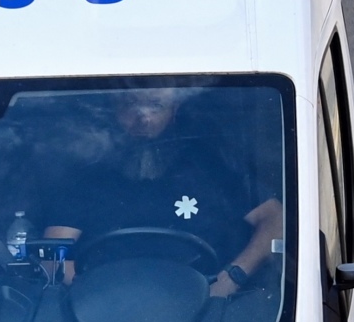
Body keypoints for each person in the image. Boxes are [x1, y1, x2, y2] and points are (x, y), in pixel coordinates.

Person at [36, 86, 283, 298]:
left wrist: (232, 277)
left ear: (173, 111)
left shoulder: (208, 165)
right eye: (132, 105)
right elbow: (54, 251)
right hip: (105, 312)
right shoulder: (88, 175)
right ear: (114, 108)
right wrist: (86, 293)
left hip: (207, 310)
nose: (143, 119)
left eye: (156, 106)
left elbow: (275, 220)